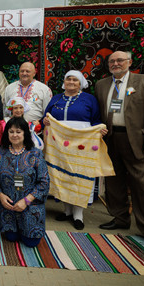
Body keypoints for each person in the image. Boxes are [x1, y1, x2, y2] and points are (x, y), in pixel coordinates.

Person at [94, 50, 144, 250]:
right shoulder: (101, 85)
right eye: (112, 61)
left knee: (142, 184)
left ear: (129, 62)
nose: (116, 63)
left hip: (136, 140)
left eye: (120, 60)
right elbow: (99, 112)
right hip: (110, 139)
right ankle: (120, 218)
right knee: (114, 180)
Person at [42, 70, 104, 230]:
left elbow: (96, 120)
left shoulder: (89, 99)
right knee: (61, 175)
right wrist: (46, 121)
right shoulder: (56, 99)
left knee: (80, 176)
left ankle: (78, 214)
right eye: (68, 78)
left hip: (82, 145)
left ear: (81, 83)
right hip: (59, 146)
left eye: (75, 79)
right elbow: (45, 117)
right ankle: (67, 211)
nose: (71, 82)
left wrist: (99, 130)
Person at [0, 117, 50, 247]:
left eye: (18, 131)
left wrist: (26, 200)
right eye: (11, 132)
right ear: (7, 134)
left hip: (30, 206)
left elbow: (44, 182)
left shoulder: (35, 154)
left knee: (31, 242)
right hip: (8, 206)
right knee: (11, 237)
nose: (15, 135)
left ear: (25, 133)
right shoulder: (0, 152)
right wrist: (0, 195)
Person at [2, 62, 52, 126]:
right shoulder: (9, 88)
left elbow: (47, 113)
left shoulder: (44, 89)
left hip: (35, 130)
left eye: (27, 71)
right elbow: (6, 111)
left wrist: (40, 124)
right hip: (13, 129)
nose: (24, 73)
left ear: (34, 73)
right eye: (22, 71)